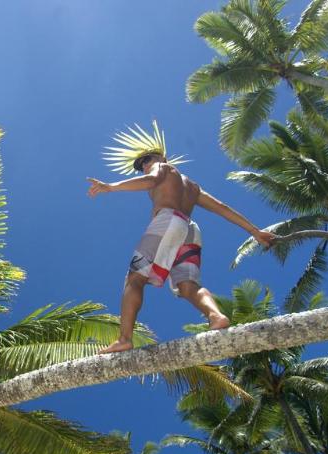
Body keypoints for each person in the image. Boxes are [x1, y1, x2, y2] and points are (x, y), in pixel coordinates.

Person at [87, 121, 275, 354]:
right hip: (190, 230)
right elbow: (221, 207)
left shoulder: (163, 169)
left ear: (162, 157)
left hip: (168, 221)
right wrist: (255, 231)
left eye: (148, 159)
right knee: (188, 286)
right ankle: (216, 316)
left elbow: (152, 180)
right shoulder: (193, 187)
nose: (145, 165)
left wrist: (111, 187)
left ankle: (124, 338)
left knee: (134, 279)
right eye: (142, 163)